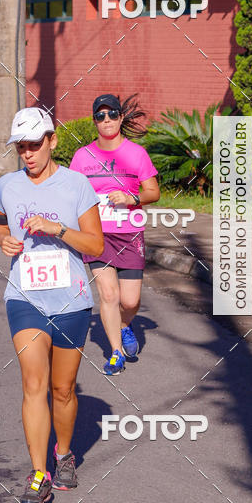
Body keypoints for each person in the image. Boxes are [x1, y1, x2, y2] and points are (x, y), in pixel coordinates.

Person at [0, 107, 103, 503]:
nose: (28, 154)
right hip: (25, 296)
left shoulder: (77, 185)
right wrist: (3, 238)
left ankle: (65, 452)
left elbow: (96, 246)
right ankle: (39, 475)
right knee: (33, 384)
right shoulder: (7, 185)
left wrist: (58, 229)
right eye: (21, 148)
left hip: (72, 299)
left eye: (35, 145)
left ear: (52, 140)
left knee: (62, 389)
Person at [70, 94, 159, 376]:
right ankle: (116, 353)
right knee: (108, 295)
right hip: (97, 235)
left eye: (112, 115)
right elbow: (71, 193)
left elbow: (153, 192)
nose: (106, 120)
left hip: (130, 234)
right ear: (94, 120)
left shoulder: (136, 153)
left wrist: (131, 198)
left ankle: (123, 325)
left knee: (130, 301)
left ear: (121, 118)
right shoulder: (82, 157)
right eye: (100, 115)